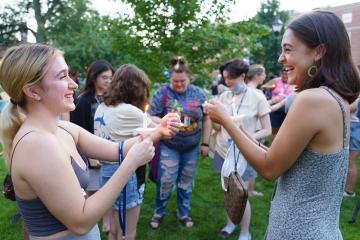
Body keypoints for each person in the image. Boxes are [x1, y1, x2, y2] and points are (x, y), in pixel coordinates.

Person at [205, 11, 360, 239]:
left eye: (287, 50)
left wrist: (225, 120)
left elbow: (269, 168)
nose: (280, 59)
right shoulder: (336, 99)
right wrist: (236, 128)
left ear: (319, 51)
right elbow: (286, 160)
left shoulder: (312, 100)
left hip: (297, 231)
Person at [0, 43, 180, 239]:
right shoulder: (36, 145)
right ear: (33, 91)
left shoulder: (63, 129)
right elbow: (80, 221)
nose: (74, 84)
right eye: (62, 77)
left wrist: (158, 131)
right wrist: (131, 163)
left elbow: (118, 150)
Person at [148, 56, 211, 229]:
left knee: (186, 181)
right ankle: (158, 212)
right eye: (175, 81)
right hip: (170, 145)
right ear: (170, 79)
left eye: (183, 81)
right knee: (166, 180)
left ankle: (183, 213)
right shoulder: (163, 93)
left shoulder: (199, 93)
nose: (179, 84)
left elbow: (207, 119)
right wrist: (162, 124)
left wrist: (205, 143)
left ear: (189, 77)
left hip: (191, 147)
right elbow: (151, 114)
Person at [212, 60, 271, 240]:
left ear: (243, 76)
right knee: (228, 191)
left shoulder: (257, 96)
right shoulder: (223, 97)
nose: (227, 82)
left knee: (241, 194)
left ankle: (245, 232)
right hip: (223, 152)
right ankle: (230, 224)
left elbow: (267, 130)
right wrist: (212, 117)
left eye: (231, 78)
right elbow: (217, 128)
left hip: (245, 154)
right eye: (225, 78)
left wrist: (246, 138)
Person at [94, 64, 154, 240]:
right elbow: (159, 131)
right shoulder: (131, 112)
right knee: (128, 231)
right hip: (126, 172)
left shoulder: (103, 107)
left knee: (114, 226)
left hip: (106, 171)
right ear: (137, 88)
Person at [245, 64, 272, 197]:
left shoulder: (245, 91)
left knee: (250, 165)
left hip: (248, 132)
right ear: (256, 75)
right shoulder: (257, 93)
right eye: (263, 74)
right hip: (255, 133)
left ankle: (249, 190)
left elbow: (263, 109)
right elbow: (264, 112)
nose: (265, 76)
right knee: (251, 164)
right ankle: (246, 191)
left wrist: (277, 102)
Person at [266, 70, 294, 144]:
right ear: (281, 74)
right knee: (274, 131)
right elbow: (264, 86)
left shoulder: (294, 81)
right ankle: (270, 148)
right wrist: (270, 89)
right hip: (275, 110)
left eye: (286, 74)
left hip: (288, 110)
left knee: (285, 132)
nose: (284, 76)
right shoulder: (276, 80)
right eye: (283, 74)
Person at [344, 97, 360, 197]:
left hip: (355, 128)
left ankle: (349, 191)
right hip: (356, 129)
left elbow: (350, 108)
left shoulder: (358, 98)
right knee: (349, 161)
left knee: (350, 161)